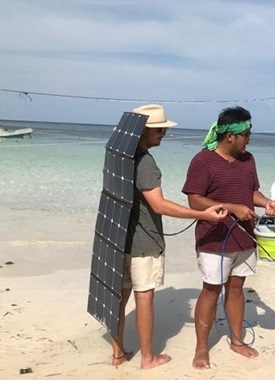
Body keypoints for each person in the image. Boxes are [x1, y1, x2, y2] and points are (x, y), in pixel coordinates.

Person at [112, 104, 227, 369]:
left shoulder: (121, 157)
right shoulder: (145, 163)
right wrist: (203, 215)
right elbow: (159, 205)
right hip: (143, 241)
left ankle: (118, 354)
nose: (163, 133)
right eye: (159, 129)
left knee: (121, 296)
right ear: (144, 131)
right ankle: (148, 359)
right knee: (144, 296)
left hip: (120, 237)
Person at [182, 106, 275, 369]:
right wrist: (232, 208)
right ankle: (202, 347)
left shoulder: (249, 160)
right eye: (246, 134)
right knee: (211, 290)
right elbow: (194, 199)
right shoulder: (202, 161)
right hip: (214, 239)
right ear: (230, 137)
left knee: (236, 290)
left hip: (245, 239)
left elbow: (252, 193)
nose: (249, 139)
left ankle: (236, 340)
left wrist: (266, 202)